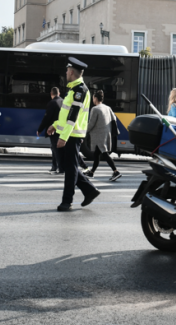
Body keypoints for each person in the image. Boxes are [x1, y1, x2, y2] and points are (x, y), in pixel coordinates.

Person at [49, 57, 99, 211]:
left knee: (69, 168)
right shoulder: (73, 89)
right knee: (68, 166)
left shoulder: (80, 90)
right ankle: (90, 191)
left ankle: (67, 201)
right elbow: (65, 114)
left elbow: (74, 115)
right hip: (68, 133)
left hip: (72, 135)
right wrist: (55, 125)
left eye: (66, 70)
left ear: (71, 72)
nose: (65, 73)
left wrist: (63, 137)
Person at [85, 90, 121, 182]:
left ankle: (116, 171)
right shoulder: (107, 108)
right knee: (97, 154)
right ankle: (92, 172)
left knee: (104, 154)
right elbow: (114, 119)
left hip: (98, 135)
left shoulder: (95, 109)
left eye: (93, 98)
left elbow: (91, 124)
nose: (93, 99)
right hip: (106, 134)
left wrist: (85, 131)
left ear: (95, 98)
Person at [37, 86, 63, 174]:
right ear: (59, 93)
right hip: (62, 129)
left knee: (55, 148)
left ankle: (59, 167)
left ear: (51, 94)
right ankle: (54, 166)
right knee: (55, 148)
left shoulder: (52, 103)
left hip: (53, 129)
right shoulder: (63, 101)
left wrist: (40, 129)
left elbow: (46, 118)